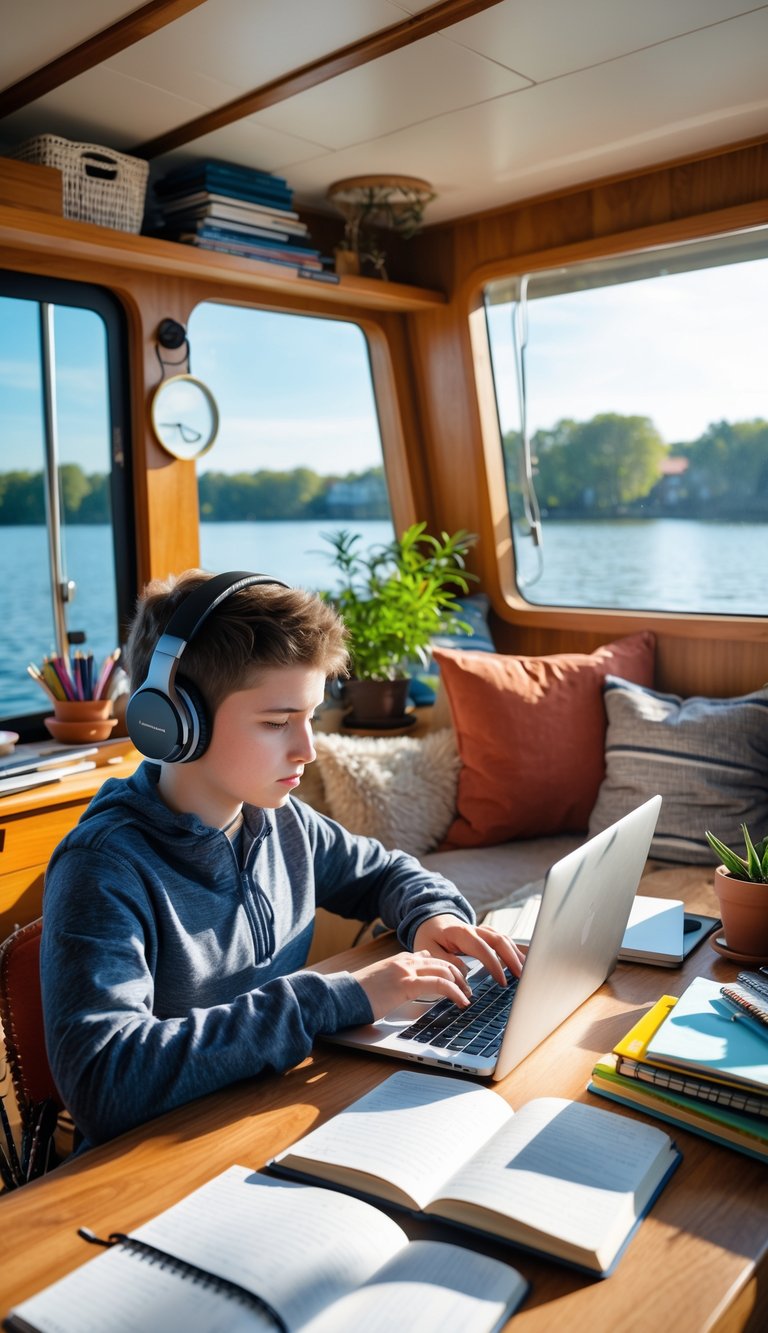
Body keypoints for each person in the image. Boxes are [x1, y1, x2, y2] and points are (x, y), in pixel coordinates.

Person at [41, 570, 522, 1148]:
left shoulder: (279, 819)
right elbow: (104, 1082)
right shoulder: (103, 869)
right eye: (276, 723)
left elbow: (386, 872)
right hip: (161, 1164)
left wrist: (433, 917)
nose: (308, 749)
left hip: (273, 1119)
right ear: (171, 723)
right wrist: (338, 997)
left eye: (310, 717)